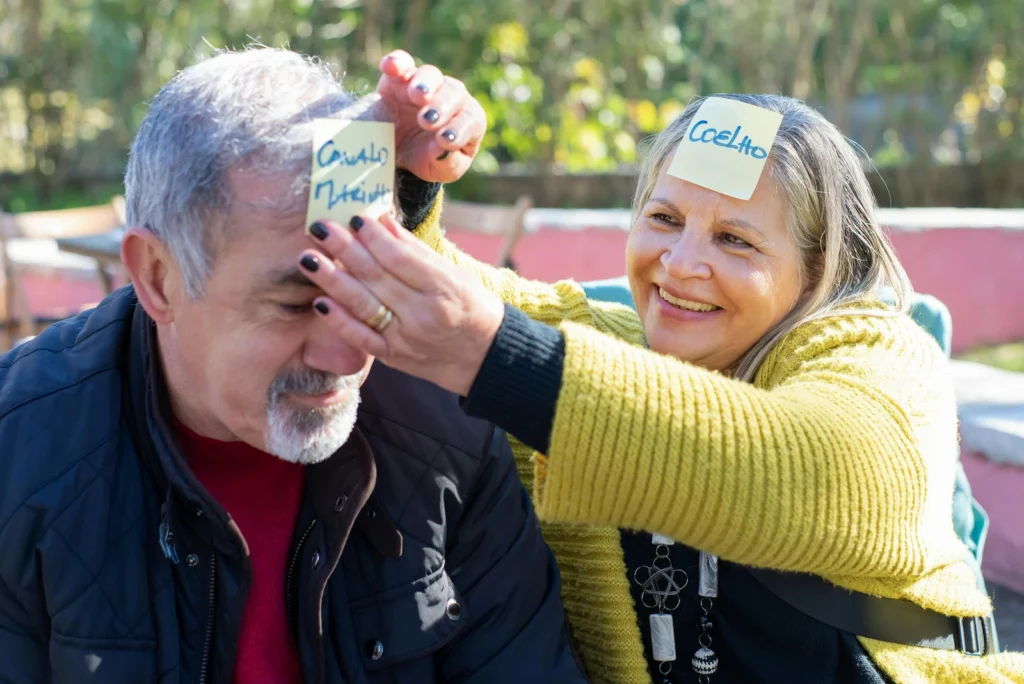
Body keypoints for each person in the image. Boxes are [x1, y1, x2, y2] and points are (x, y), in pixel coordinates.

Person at [298, 64, 1024, 684]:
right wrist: (392, 155)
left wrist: (497, 356)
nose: (679, 265)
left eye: (735, 239)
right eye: (665, 218)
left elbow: (818, 468)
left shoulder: (879, 357)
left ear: (817, 270)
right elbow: (400, 282)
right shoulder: (605, 345)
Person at [0, 47, 588, 684]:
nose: (350, 353)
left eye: (372, 291)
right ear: (159, 277)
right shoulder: (18, 457)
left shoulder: (451, 427)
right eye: (296, 303)